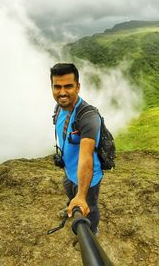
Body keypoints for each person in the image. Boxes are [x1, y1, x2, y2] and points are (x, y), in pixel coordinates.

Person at [50, 63, 103, 234]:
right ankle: (71, 206)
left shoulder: (88, 117)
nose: (62, 92)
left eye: (68, 86)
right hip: (69, 172)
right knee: (70, 192)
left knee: (90, 206)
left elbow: (87, 156)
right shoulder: (59, 107)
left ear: (78, 87)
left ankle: (92, 231)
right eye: (57, 87)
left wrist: (81, 195)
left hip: (88, 177)